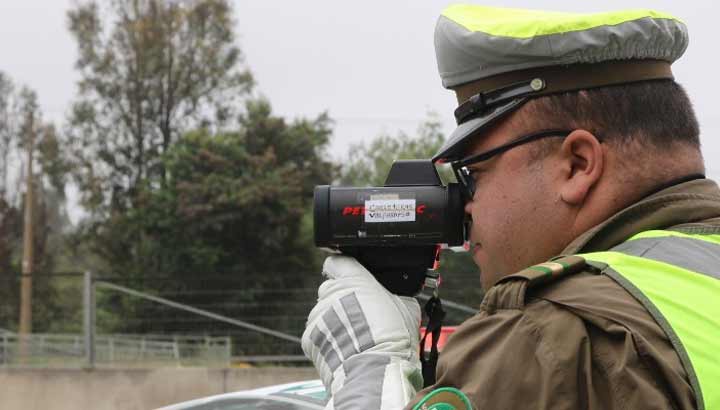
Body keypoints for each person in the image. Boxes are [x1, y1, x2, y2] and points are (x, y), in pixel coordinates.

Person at [302, 5, 720, 410]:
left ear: (577, 164)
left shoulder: (557, 341)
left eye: (473, 174)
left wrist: (370, 369)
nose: (465, 207)